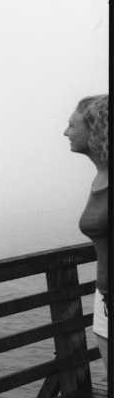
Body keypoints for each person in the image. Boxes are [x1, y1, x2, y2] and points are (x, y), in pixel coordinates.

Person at [65, 94, 109, 373]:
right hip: (104, 298)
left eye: (72, 125)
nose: (66, 132)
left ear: (97, 129)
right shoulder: (99, 176)